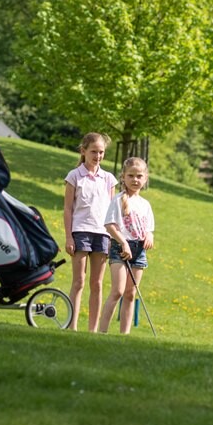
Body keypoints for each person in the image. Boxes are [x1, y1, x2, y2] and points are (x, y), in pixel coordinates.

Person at [63, 133, 116, 331]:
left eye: (101, 152)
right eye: (94, 151)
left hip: (102, 234)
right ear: (83, 151)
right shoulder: (74, 176)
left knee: (97, 283)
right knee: (78, 282)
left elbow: (112, 212)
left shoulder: (109, 179)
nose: (98, 156)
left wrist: (113, 237)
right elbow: (68, 209)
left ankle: (92, 330)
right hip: (80, 232)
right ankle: (72, 327)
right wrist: (69, 237)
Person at [98, 157, 155, 335]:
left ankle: (125, 334)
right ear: (123, 177)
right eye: (131, 176)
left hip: (139, 251)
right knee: (118, 291)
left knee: (130, 293)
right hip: (120, 248)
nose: (135, 180)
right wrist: (123, 243)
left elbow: (149, 229)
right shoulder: (118, 200)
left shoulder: (145, 204)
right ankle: (102, 332)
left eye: (139, 176)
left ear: (145, 178)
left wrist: (149, 236)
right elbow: (109, 225)